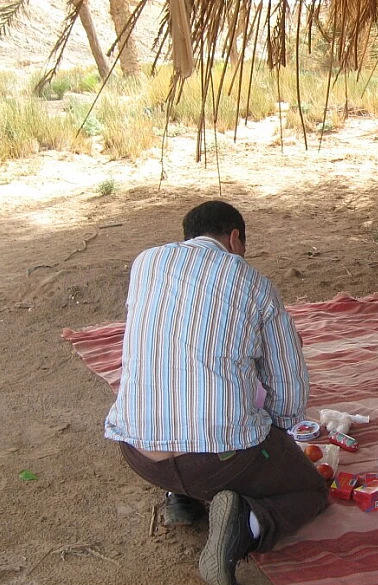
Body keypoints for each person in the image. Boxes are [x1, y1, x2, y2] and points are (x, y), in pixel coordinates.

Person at [103, 200, 328, 585]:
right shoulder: (255, 284)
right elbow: (287, 381)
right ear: (235, 237)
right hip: (220, 459)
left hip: (138, 451)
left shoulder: (145, 264)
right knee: (310, 491)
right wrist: (279, 434)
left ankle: (182, 497)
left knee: (188, 405)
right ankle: (243, 523)